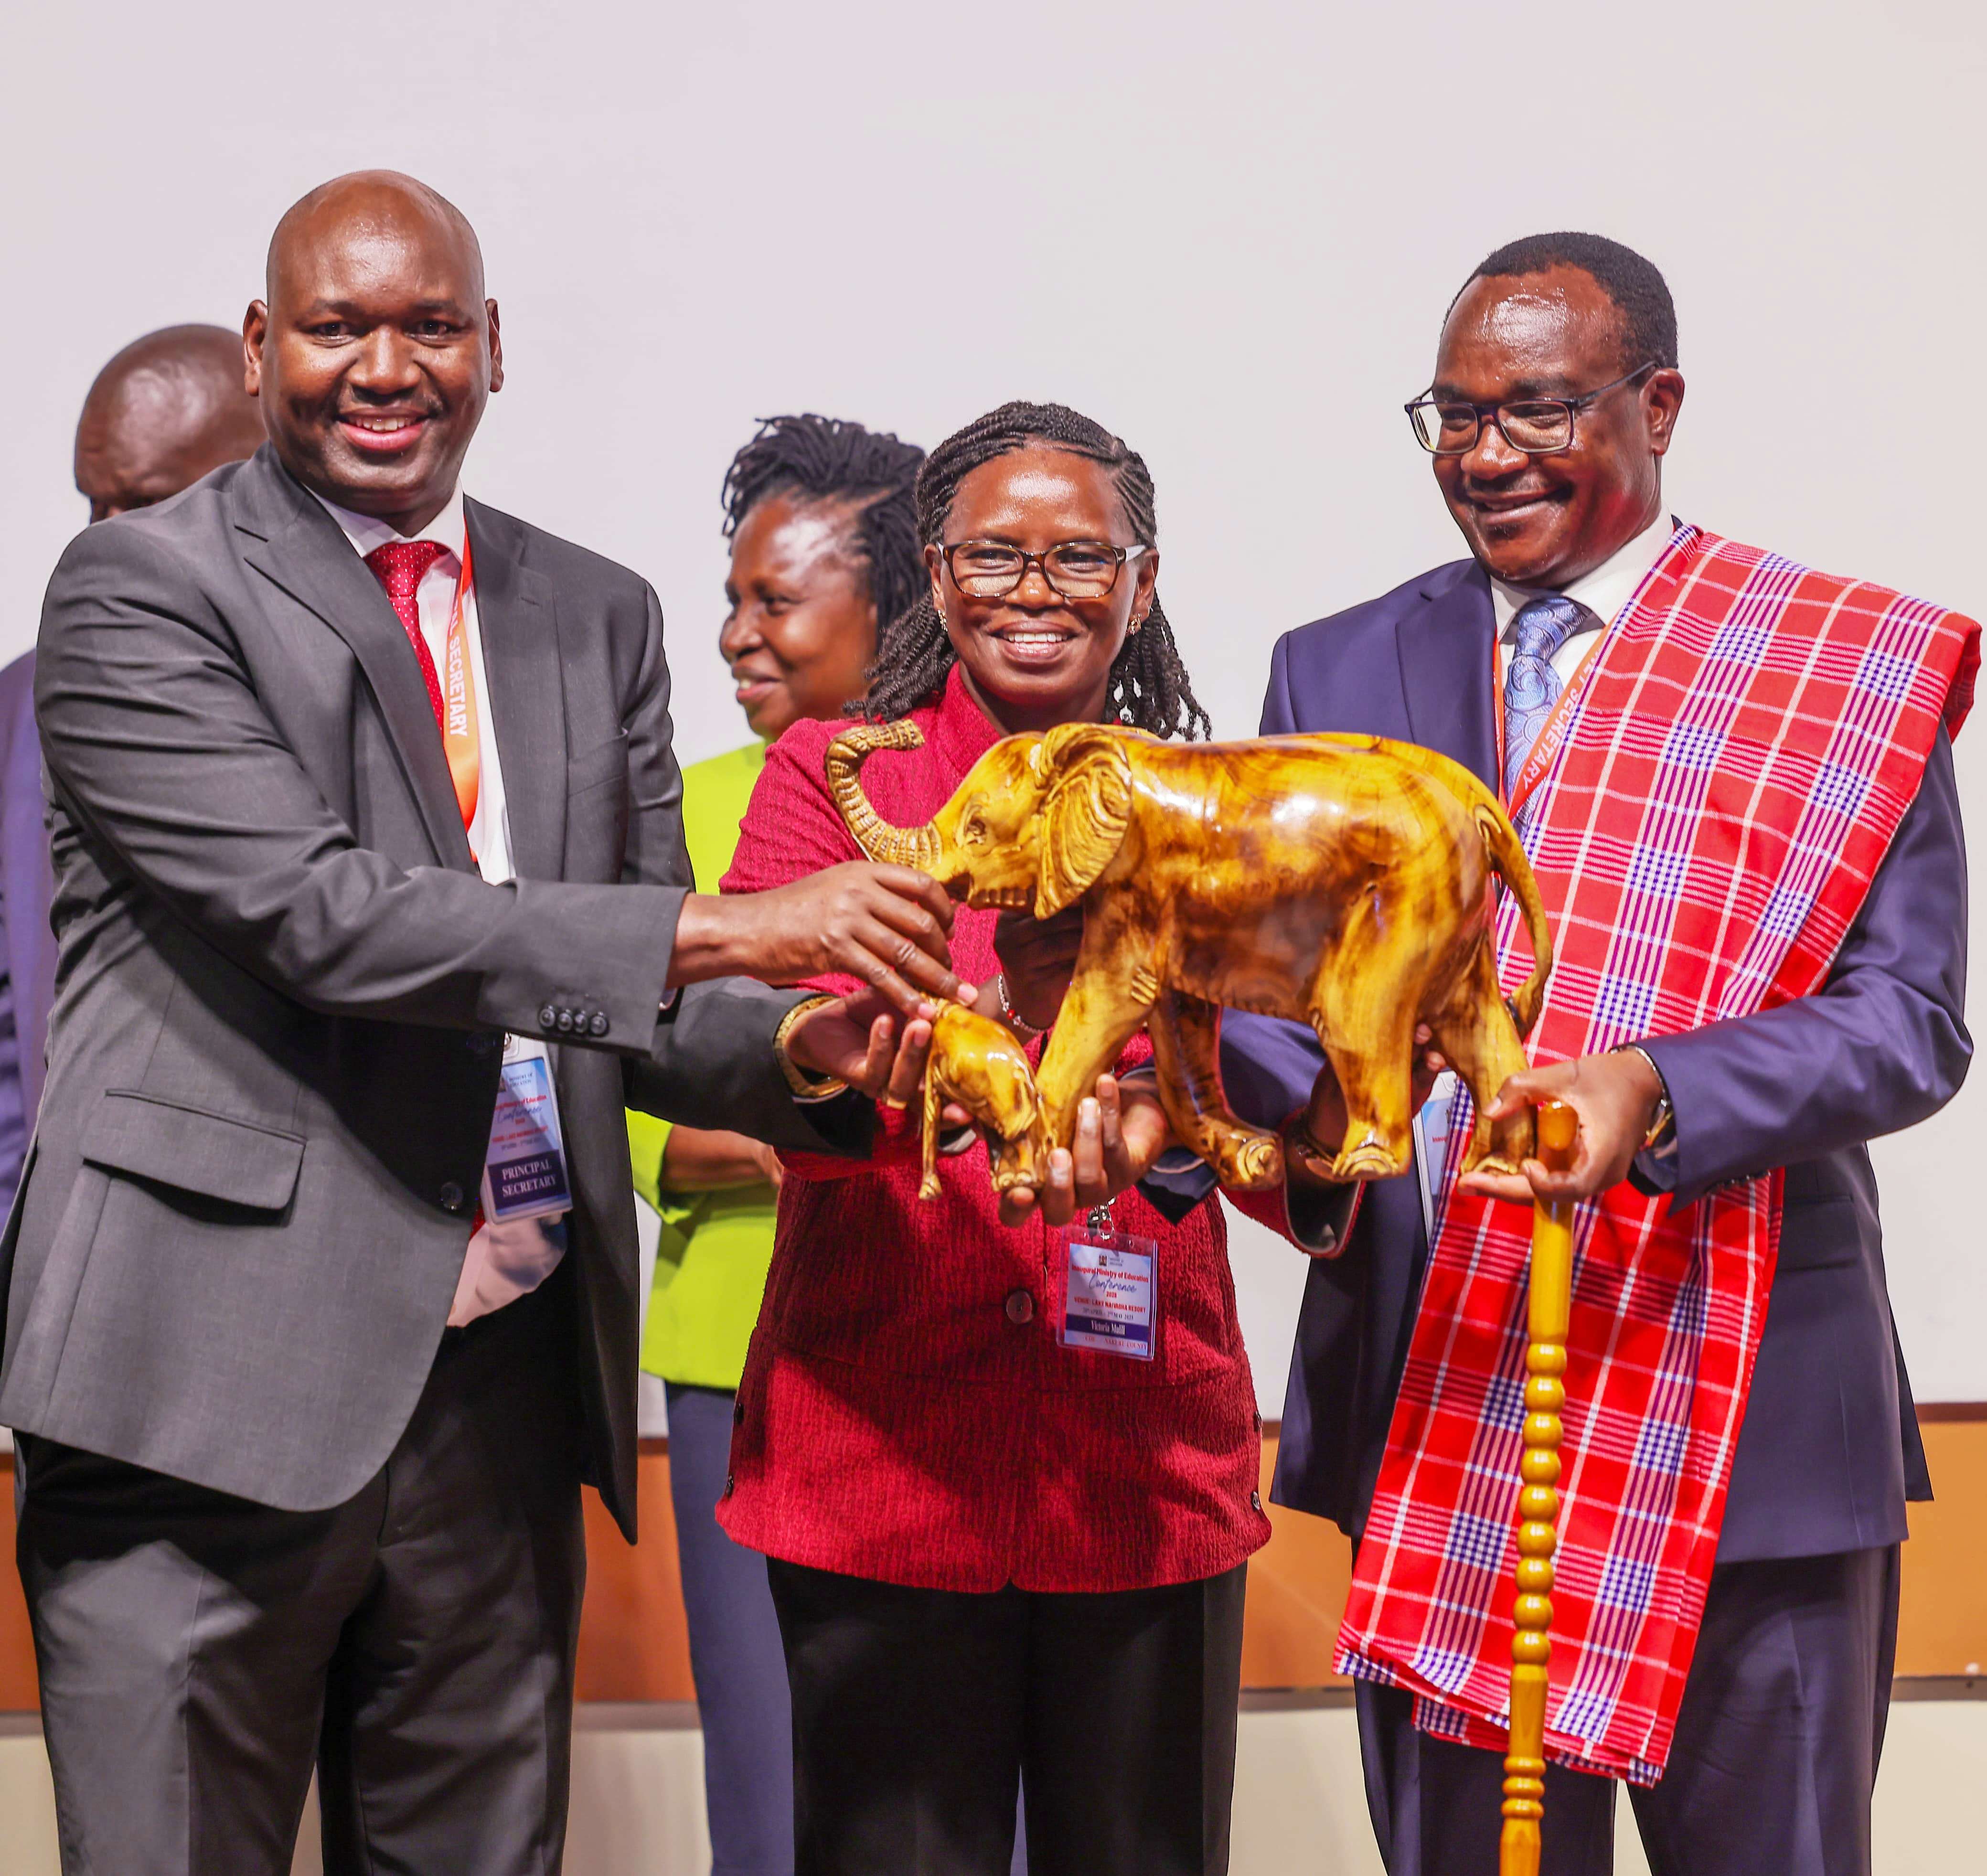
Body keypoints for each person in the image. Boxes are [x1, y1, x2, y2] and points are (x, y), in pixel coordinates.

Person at [5, 171, 962, 1876]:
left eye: (431, 325)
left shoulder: (592, 611)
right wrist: (735, 921)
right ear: (259, 347)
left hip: (505, 1381)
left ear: (494, 349)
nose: (387, 365)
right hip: (203, 1379)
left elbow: (640, 1004)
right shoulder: (141, 594)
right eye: (337, 327)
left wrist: (805, 1050)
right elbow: (325, 913)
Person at [1219, 233, 1975, 1876]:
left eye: (1540, 409)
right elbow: (1275, 1023)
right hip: (1452, 1394)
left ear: (1660, 403)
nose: (1487, 455)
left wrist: (1658, 1087)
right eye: (1455, 415)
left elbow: (1910, 1021)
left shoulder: (1825, 670)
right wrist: (1280, 1090)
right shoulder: (1336, 667)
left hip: (1751, 1424)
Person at [719, 400, 1286, 1876]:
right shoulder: (835, 782)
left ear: (1142, 585)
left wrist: (1178, 1132)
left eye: (1081, 557)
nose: (1037, 591)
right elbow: (763, 1053)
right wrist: (893, 1062)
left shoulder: (1214, 814)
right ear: (934, 570)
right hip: (882, 1458)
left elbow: (1294, 1128)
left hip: (1143, 1460)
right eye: (996, 555)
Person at [627, 413, 927, 1876]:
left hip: (943, 1343)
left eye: (776, 602)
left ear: (894, 607)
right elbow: (630, 1109)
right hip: (730, 1346)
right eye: (733, 597)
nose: (737, 635)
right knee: (771, 1782)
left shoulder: (985, 794)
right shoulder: (682, 810)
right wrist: (860, 1122)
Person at [0, 324, 266, 1213]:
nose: (97, 549)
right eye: (91, 506)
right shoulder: (17, 711)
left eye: (145, 506)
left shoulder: (407, 678)